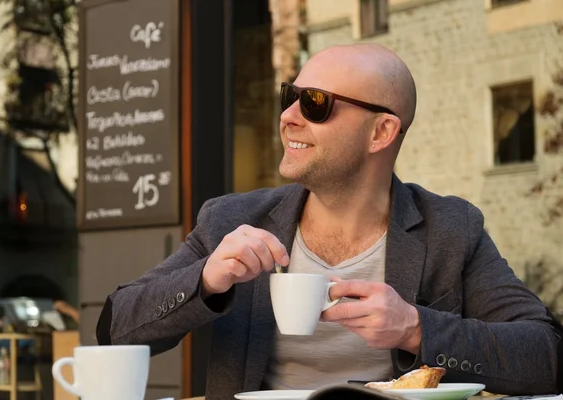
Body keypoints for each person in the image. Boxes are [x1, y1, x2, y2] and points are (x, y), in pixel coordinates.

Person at [96, 44, 563, 399]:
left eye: (315, 103)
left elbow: (547, 354)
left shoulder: (450, 228)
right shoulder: (233, 221)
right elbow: (114, 329)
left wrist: (415, 327)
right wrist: (206, 279)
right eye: (290, 97)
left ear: (381, 132)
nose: (287, 117)